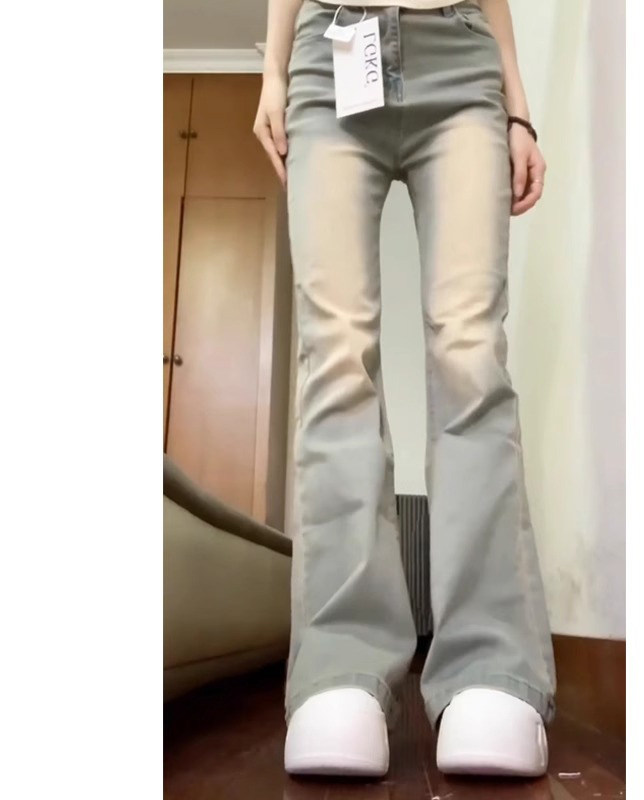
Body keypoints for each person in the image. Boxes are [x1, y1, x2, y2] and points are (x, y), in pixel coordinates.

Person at [254, 0, 556, 778]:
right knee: (336, 358)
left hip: (461, 57)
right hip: (331, 56)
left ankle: (492, 665)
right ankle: (338, 667)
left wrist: (518, 107)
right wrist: (273, 70)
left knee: (470, 355)